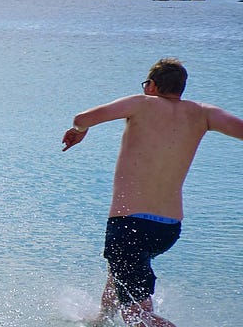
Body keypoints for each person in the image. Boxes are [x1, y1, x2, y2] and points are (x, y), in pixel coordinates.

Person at [61, 58, 243, 327]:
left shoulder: (141, 103)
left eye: (146, 84)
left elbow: (82, 118)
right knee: (119, 275)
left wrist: (79, 131)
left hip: (130, 225)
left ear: (153, 85)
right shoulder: (204, 113)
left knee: (136, 316)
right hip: (168, 230)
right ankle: (100, 321)